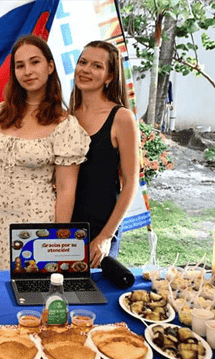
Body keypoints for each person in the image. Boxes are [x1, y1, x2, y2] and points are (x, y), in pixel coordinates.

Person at [0, 34, 90, 271]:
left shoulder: (65, 125)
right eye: (20, 65)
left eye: (35, 62)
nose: (27, 71)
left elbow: (66, 190)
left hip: (34, 226)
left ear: (50, 66)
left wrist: (58, 239)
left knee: (29, 291)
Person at [69, 40, 140, 268]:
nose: (86, 70)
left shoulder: (121, 118)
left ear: (110, 76)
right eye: (83, 62)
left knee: (94, 299)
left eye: (97, 66)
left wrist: (106, 237)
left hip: (100, 229)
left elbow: (130, 184)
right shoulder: (66, 115)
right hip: (64, 227)